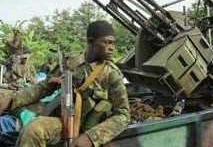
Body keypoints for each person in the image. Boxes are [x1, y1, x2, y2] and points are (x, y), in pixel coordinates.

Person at [0, 20, 130, 147]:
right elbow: (44, 88)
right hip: (63, 120)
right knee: (34, 129)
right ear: (91, 41)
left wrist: (92, 137)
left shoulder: (111, 74)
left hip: (90, 127)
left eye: (113, 43)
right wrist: (13, 99)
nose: (111, 48)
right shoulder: (70, 62)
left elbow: (123, 114)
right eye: (106, 42)